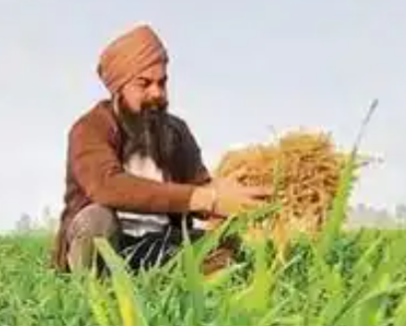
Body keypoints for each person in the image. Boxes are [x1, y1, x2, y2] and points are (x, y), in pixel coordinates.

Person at [51, 24, 272, 274]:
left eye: (162, 82)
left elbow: (200, 186)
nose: (157, 93)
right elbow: (106, 186)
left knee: (227, 245)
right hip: (109, 242)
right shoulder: (90, 128)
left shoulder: (175, 131)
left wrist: (235, 197)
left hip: (160, 242)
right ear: (118, 89)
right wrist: (207, 199)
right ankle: (92, 290)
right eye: (144, 84)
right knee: (97, 220)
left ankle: (170, 280)